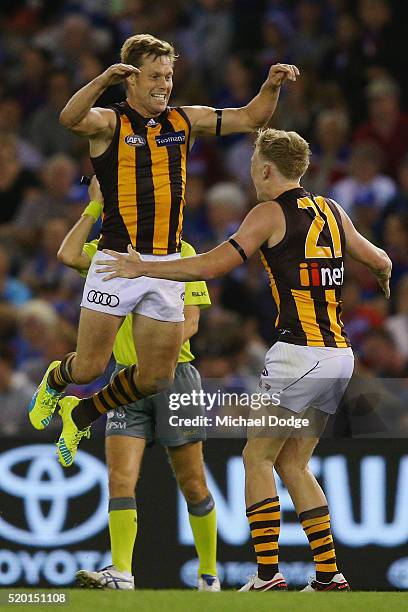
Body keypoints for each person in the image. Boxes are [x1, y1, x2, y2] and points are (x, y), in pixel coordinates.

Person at [95, 128, 392, 592]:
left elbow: (213, 265)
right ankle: (329, 575)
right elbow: (379, 259)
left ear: (267, 169)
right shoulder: (333, 210)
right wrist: (384, 276)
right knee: (293, 464)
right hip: (339, 355)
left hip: (299, 353)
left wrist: (144, 267)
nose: (251, 170)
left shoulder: (269, 212)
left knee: (256, 456)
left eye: (254, 162)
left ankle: (268, 574)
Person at [28, 33, 300, 466]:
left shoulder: (184, 120)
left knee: (156, 377)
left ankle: (80, 412)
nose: (165, 84)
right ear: (130, 80)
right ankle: (57, 382)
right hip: (117, 261)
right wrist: (102, 80)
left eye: (169, 75)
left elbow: (251, 118)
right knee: (88, 368)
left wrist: (272, 86)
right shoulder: (109, 123)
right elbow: (69, 118)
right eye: (155, 76)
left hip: (167, 264)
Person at [57, 177, 219, 591]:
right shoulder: (108, 254)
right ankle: (122, 574)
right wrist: (94, 206)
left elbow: (193, 321)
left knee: (192, 480)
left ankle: (209, 575)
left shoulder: (182, 253)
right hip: (124, 382)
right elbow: (67, 253)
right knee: (120, 478)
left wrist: (154, 344)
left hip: (175, 378)